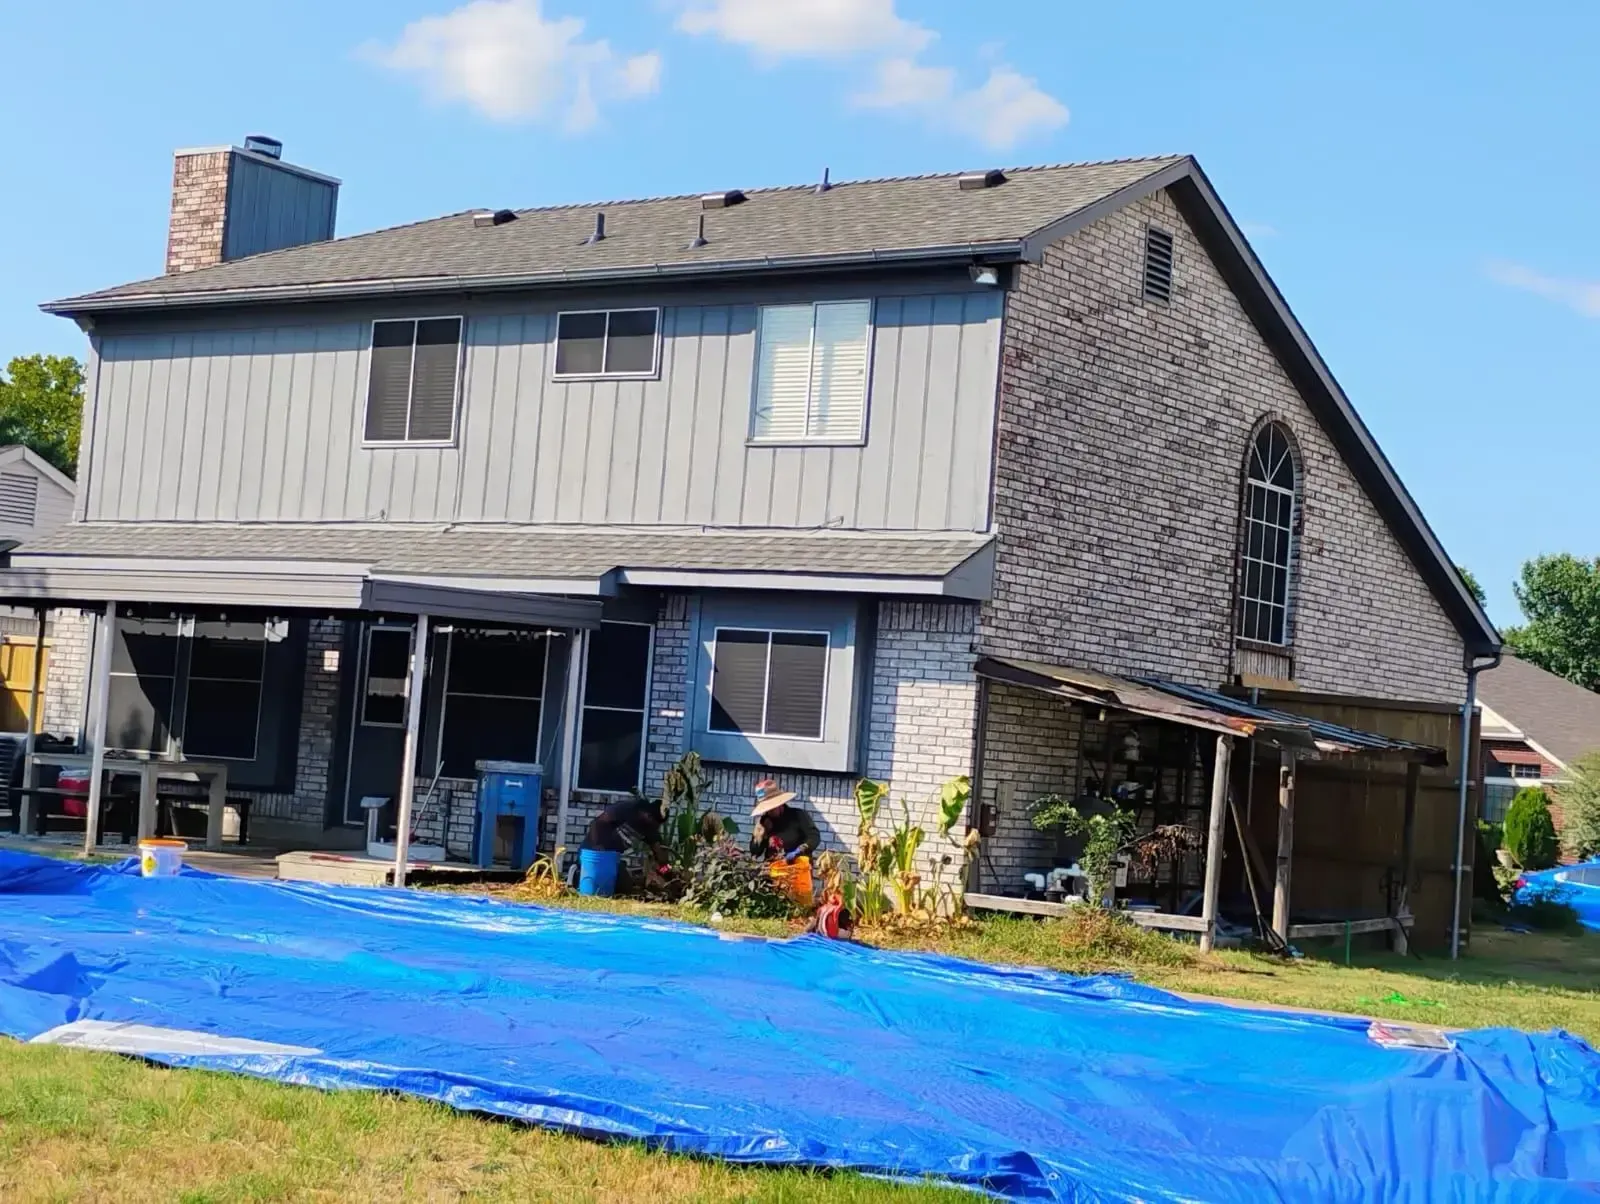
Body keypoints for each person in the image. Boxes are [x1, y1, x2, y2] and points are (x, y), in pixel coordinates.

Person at [748, 778, 820, 863]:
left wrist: (800, 850)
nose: (768, 812)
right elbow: (755, 853)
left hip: (798, 865)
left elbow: (814, 836)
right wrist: (759, 837)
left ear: (780, 804)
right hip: (774, 867)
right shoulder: (765, 821)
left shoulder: (798, 815)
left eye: (771, 808)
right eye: (766, 809)